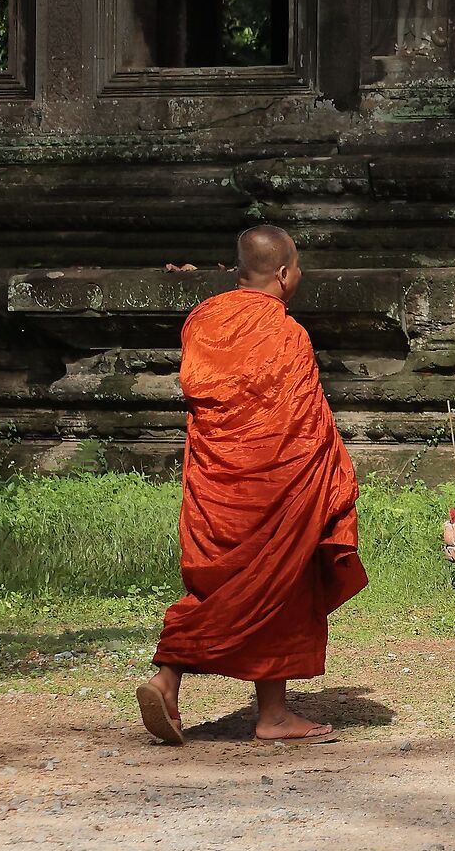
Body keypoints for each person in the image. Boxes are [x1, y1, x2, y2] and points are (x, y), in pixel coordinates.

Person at [137, 225, 366, 747]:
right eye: (298, 267)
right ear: (284, 274)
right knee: (281, 578)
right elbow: (302, 423)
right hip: (277, 482)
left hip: (219, 481)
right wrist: (328, 472)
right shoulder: (287, 334)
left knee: (220, 587)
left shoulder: (203, 320)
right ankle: (273, 715)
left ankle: (169, 679)